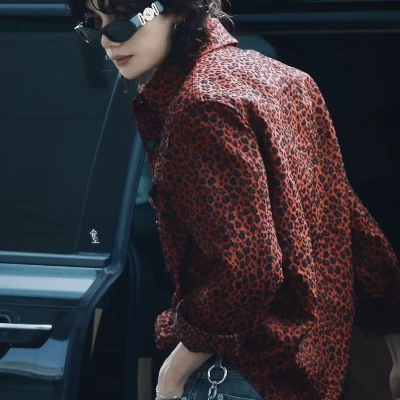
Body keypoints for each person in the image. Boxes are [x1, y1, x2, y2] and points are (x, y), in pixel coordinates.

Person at [67, 0, 400, 399]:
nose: (107, 40)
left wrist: (172, 374)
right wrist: (395, 344)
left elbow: (247, 271)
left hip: (237, 371)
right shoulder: (287, 79)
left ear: (176, 10)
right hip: (306, 372)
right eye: (93, 25)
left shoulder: (201, 105)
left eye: (122, 22)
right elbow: (346, 224)